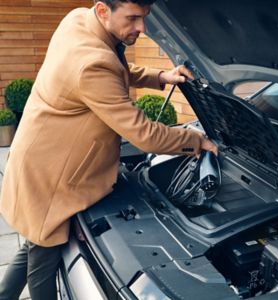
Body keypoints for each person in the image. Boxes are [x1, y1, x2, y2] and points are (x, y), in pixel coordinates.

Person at [0, 0, 217, 299]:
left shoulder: (79, 20)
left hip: (39, 155)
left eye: (144, 17)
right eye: (133, 18)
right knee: (42, 263)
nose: (141, 28)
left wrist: (159, 76)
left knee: (36, 242)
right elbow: (145, 136)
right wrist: (197, 141)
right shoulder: (93, 64)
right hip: (50, 176)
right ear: (103, 11)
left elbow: (114, 70)